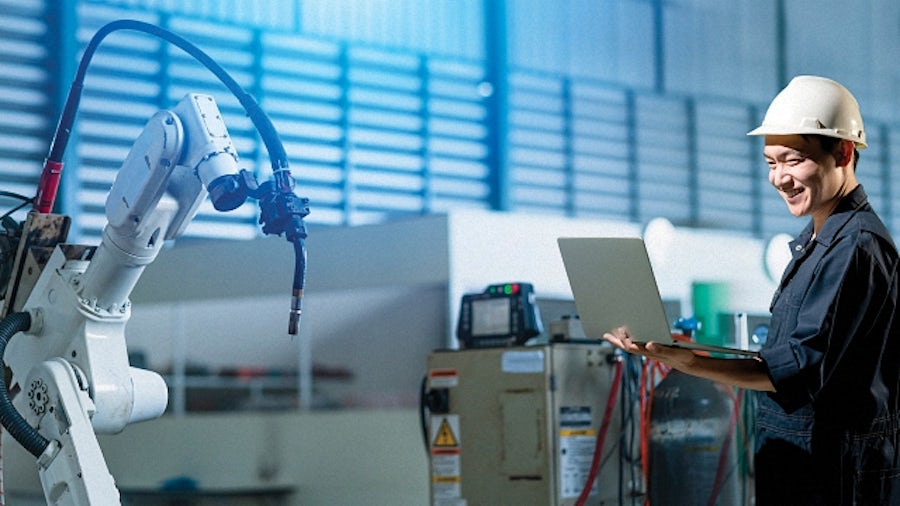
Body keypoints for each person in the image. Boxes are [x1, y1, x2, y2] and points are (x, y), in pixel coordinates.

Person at [604, 75, 900, 505]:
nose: (780, 178)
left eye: (794, 160)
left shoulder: (854, 248)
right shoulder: (817, 243)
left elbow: (791, 371)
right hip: (805, 467)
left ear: (844, 151)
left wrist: (685, 359)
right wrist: (676, 351)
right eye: (770, 162)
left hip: (839, 477)